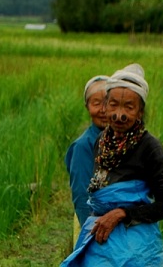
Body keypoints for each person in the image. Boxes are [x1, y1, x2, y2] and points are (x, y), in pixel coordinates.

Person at [61, 63, 163, 267]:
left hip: (137, 248)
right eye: (113, 105)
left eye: (128, 108)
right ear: (105, 106)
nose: (119, 115)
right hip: (101, 241)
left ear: (140, 112)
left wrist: (122, 213)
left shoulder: (149, 147)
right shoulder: (101, 142)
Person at [65, 75, 110, 228]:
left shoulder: (121, 141)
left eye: (108, 103)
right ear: (87, 107)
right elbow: (81, 196)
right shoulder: (83, 146)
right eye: (96, 103)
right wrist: (92, 234)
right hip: (93, 228)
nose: (103, 110)